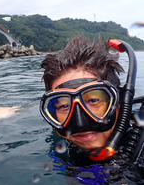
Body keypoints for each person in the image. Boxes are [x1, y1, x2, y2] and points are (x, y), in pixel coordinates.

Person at [39, 34, 144, 164]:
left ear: (119, 103)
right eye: (64, 106)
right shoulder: (63, 146)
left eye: (94, 101)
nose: (80, 123)